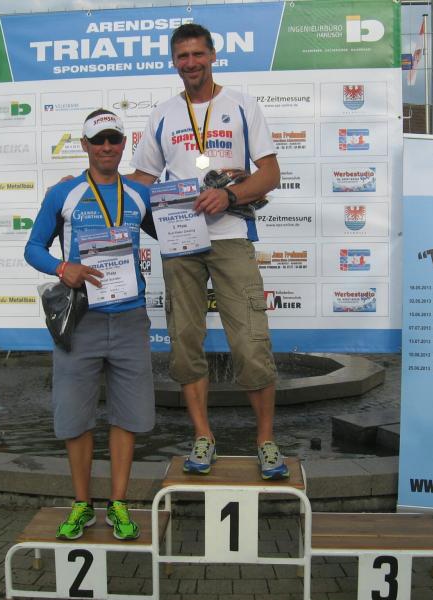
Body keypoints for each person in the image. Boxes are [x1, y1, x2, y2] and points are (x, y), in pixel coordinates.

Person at [130, 23, 288, 480]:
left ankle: (266, 441)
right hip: (179, 240)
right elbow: (141, 180)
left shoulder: (241, 105)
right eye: (182, 56)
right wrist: (93, 187)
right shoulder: (163, 114)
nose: (191, 63)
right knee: (184, 343)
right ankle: (203, 436)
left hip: (231, 234)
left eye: (198, 54)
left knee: (251, 343)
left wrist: (230, 195)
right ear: (173, 62)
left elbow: (271, 173)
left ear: (213, 55)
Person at [24, 109, 156, 541]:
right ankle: (82, 503)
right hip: (80, 320)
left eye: (114, 139)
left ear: (124, 144)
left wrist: (221, 197)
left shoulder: (139, 194)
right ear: (84, 145)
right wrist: (63, 268)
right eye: (98, 140)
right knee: (75, 417)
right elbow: (33, 248)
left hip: (130, 318)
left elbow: (178, 228)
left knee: (127, 416)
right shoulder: (64, 194)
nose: (106, 147)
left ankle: (118, 503)